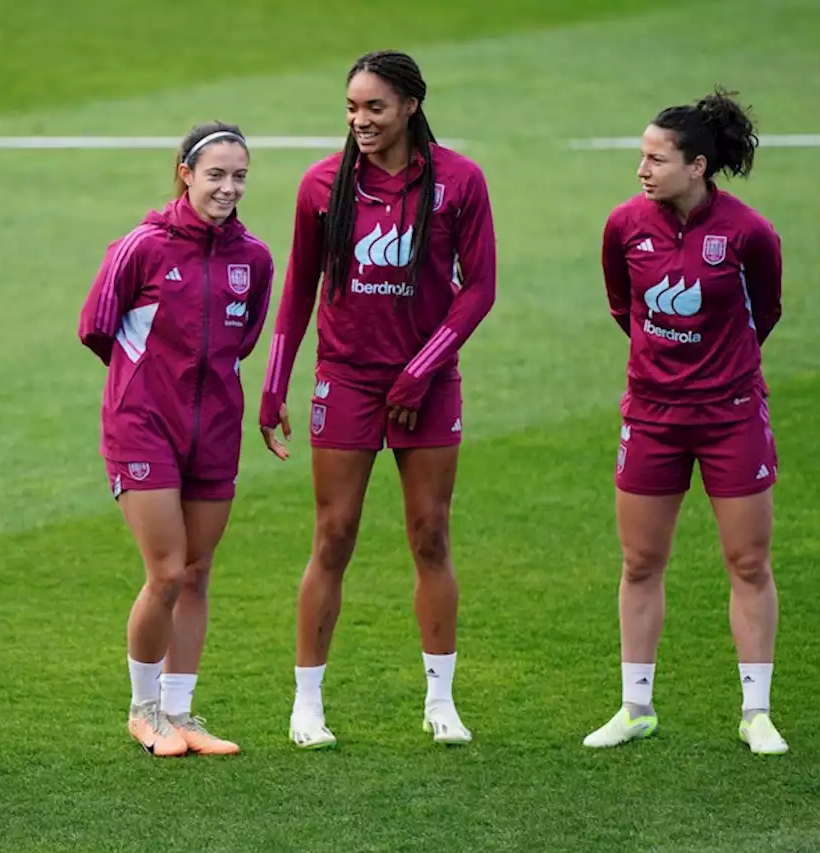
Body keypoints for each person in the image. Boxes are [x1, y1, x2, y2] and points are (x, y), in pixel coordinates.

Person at [258, 51, 497, 749]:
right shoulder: (322, 186)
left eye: (375, 108)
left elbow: (479, 287)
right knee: (333, 536)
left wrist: (422, 369)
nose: (361, 121)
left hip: (427, 383)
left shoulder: (459, 182)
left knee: (430, 534)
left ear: (411, 107)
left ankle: (441, 701)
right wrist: (273, 386)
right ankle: (307, 704)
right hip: (349, 380)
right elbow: (300, 288)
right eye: (352, 108)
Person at [584, 88, 787, 755]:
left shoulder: (749, 234)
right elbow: (624, 307)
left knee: (748, 559)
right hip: (651, 415)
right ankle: (636, 706)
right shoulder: (624, 227)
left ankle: (756, 712)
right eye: (640, 156)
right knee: (641, 560)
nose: (641, 169)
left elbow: (766, 311)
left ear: (697, 166)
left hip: (730, 416)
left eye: (656, 158)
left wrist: (716, 371)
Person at [78, 121, 274, 757]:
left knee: (197, 572)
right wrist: (146, 392)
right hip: (144, 431)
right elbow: (97, 328)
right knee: (165, 572)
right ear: (185, 174)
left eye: (238, 175)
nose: (228, 187)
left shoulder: (256, 259)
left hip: (215, 433)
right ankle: (143, 710)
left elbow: (240, 344)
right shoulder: (140, 248)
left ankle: (182, 713)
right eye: (215, 174)